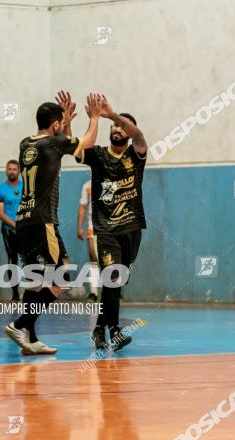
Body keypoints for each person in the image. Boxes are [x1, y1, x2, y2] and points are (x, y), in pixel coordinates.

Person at [4, 92, 103, 355]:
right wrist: (94, 117)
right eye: (60, 123)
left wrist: (65, 123)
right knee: (63, 275)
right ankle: (20, 324)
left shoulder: (26, 144)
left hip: (23, 220)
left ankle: (30, 340)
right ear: (55, 124)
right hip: (43, 220)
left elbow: (66, 147)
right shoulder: (53, 143)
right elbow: (88, 143)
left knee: (35, 280)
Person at [76, 98, 148, 350]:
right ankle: (115, 331)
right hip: (106, 230)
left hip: (132, 229)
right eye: (114, 127)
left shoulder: (136, 156)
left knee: (115, 283)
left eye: (121, 127)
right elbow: (78, 151)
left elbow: (139, 136)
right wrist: (95, 119)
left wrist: (113, 115)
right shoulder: (98, 156)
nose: (117, 129)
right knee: (112, 277)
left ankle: (98, 329)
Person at [0, 159, 23, 301]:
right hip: (8, 230)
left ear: (19, 171)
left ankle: (33, 293)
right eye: (9, 169)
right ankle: (15, 294)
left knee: (31, 260)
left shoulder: (26, 188)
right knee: (12, 260)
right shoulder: (0, 190)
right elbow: (0, 214)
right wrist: (15, 225)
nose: (12, 171)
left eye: (14, 169)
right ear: (6, 171)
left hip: (25, 230)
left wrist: (24, 225)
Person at [76, 179, 99, 301]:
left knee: (111, 259)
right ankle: (93, 292)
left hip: (109, 228)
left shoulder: (110, 182)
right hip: (93, 227)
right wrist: (79, 226)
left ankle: (113, 290)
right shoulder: (87, 185)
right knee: (93, 258)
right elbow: (83, 206)